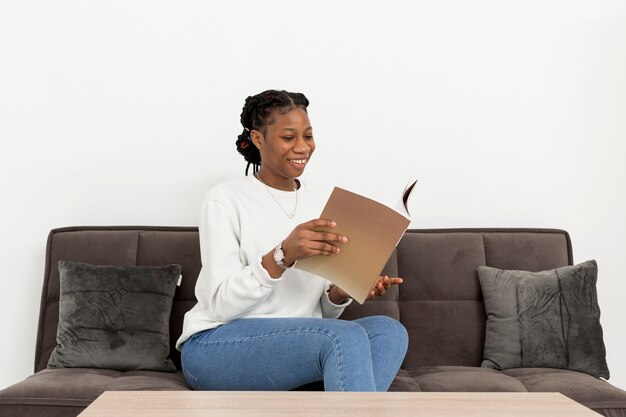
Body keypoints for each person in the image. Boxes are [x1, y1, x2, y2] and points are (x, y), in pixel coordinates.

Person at [176, 89, 408, 391]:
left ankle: (335, 403)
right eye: (288, 137)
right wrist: (282, 256)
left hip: (298, 346)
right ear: (259, 139)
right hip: (217, 344)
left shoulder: (323, 200)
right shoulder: (225, 199)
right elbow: (221, 305)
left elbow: (319, 314)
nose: (302, 147)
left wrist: (340, 291)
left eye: (308, 136)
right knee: (342, 337)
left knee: (389, 332)